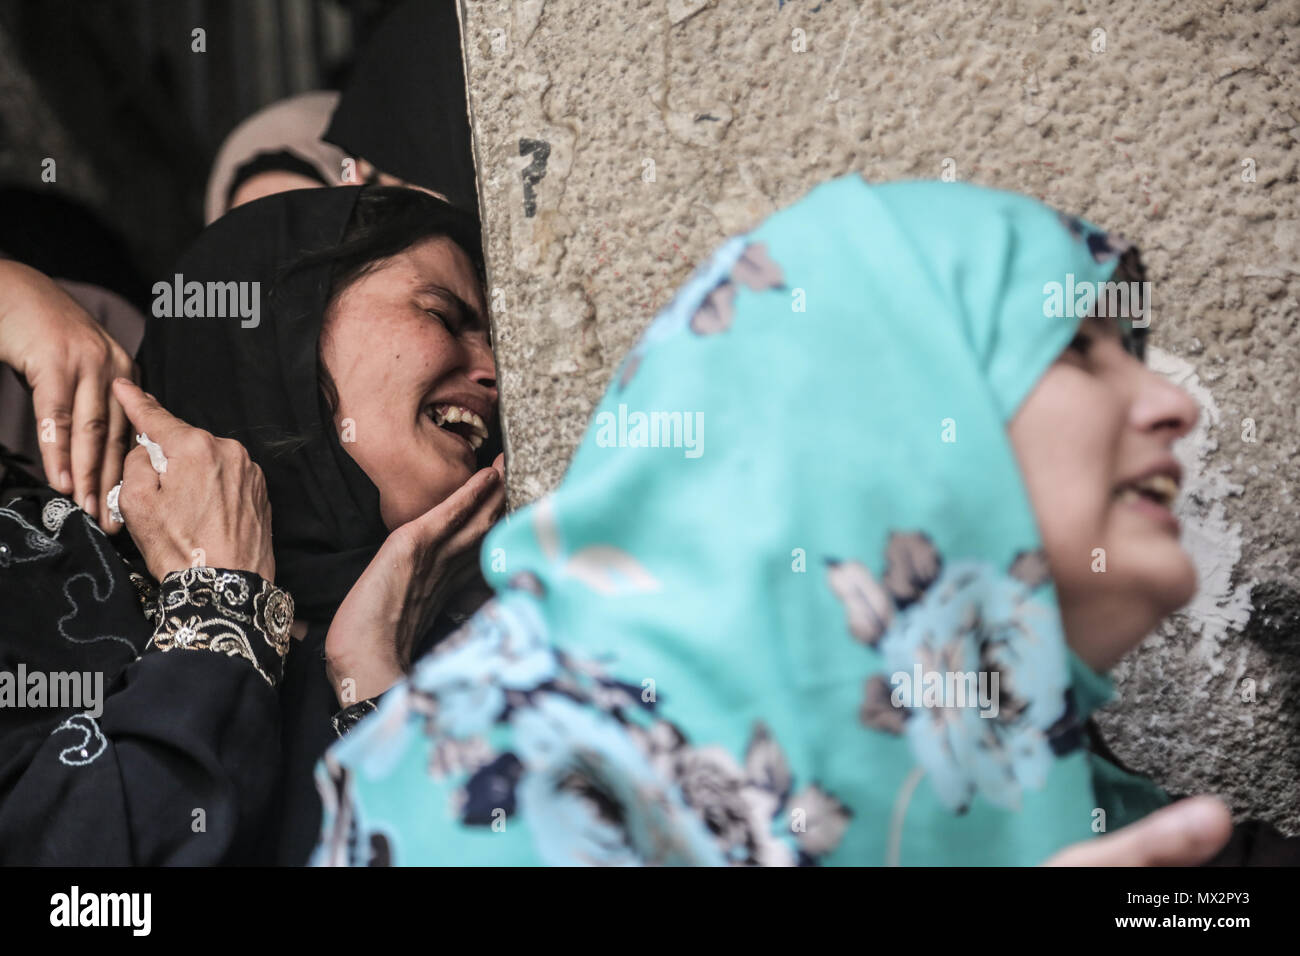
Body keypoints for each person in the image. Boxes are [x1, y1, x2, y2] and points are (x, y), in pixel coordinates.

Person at [312, 175, 1293, 865]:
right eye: (1080, 349)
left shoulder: (1094, 817)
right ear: (890, 412)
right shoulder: (514, 777)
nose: (1175, 405)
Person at [138, 184, 505, 863]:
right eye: (444, 316)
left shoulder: (525, 646)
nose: (491, 372)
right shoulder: (103, 651)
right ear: (283, 328)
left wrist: (372, 676)